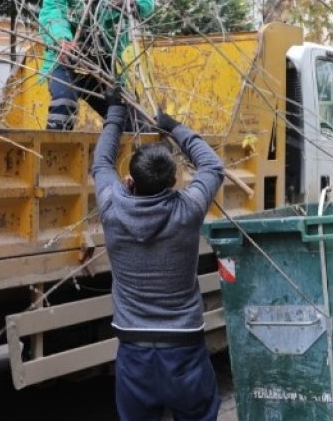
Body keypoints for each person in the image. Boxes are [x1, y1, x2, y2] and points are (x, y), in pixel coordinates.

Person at [91, 86, 225, 421]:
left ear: (128, 182)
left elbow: (101, 162)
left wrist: (115, 112)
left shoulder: (112, 206)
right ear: (175, 180)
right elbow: (212, 166)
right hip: (184, 350)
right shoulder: (188, 209)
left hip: (133, 352)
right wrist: (174, 127)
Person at [38, 0, 155, 131]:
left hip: (104, 64)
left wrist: (133, 3)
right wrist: (63, 41)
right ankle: (55, 147)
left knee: (132, 121)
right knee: (63, 105)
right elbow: (52, 16)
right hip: (66, 60)